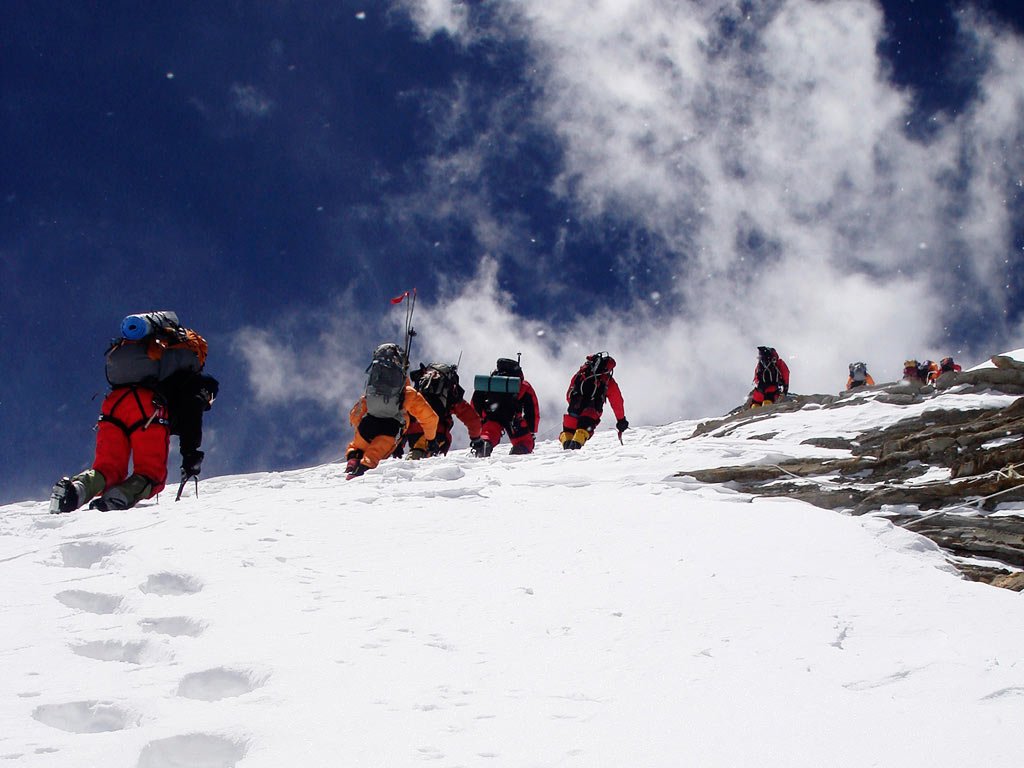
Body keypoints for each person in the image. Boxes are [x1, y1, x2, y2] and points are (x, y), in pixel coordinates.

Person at [49, 311, 218, 513]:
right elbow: (192, 414)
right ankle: (116, 499)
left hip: (114, 404)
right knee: (150, 475)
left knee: (108, 469)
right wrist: (190, 454)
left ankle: (75, 491)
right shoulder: (195, 380)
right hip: (148, 409)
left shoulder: (152, 357)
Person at [345, 343, 440, 478]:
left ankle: (353, 460)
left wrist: (358, 425)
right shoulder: (408, 393)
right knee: (377, 451)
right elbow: (430, 418)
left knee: (357, 446)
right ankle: (362, 470)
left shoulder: (373, 388)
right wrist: (431, 439)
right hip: (391, 426)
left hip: (368, 422)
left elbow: (356, 413)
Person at [397, 362, 484, 459]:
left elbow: (405, 411)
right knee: (420, 457)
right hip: (437, 434)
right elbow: (472, 419)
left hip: (413, 430)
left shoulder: (420, 388)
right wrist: (476, 439)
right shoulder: (450, 395)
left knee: (418, 454)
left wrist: (400, 440)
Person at [470, 357, 540, 456]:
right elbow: (532, 408)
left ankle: (484, 446)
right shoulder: (522, 384)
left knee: (488, 435)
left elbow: (475, 400)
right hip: (513, 417)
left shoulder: (490, 382)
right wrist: (531, 428)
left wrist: (481, 418)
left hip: (491, 413)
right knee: (524, 442)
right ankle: (517, 455)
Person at [559, 352, 628, 450]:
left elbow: (569, 393)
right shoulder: (608, 381)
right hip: (592, 410)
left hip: (575, 406)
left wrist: (575, 405)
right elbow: (617, 402)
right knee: (582, 431)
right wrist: (621, 420)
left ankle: (566, 452)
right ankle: (573, 455)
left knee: (568, 432)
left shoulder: (582, 373)